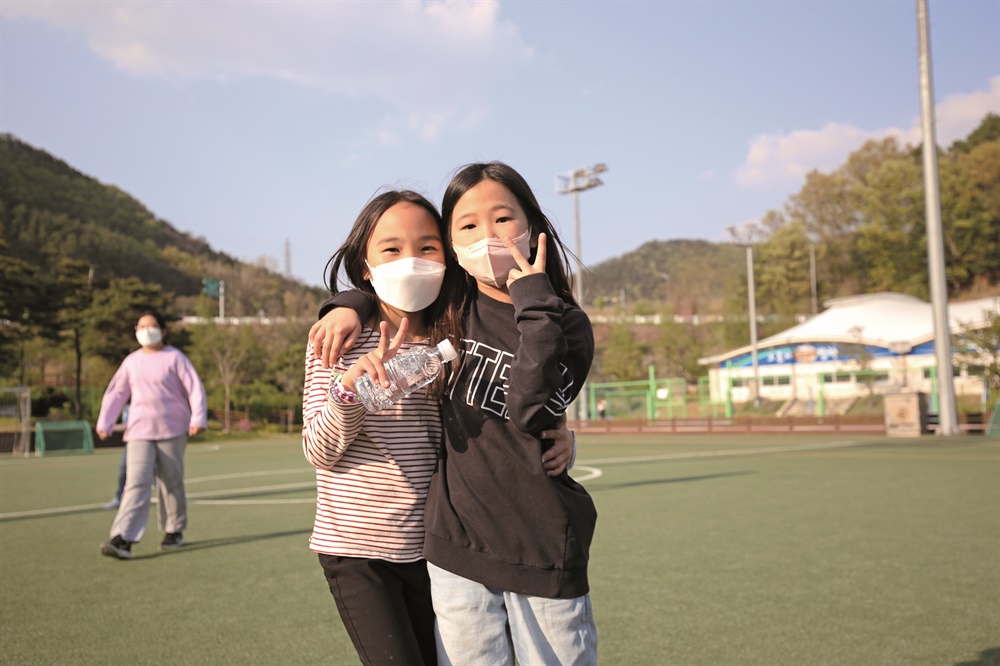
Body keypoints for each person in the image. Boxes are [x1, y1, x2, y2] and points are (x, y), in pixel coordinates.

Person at [312, 162, 598, 665]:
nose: (487, 236)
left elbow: (528, 401)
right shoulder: (385, 329)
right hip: (402, 546)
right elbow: (321, 448)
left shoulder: (502, 323)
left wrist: (561, 430)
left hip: (484, 542)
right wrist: (348, 315)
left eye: (427, 247)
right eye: (466, 225)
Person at [96, 310, 207, 560]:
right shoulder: (131, 361)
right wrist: (105, 421)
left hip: (172, 429)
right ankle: (122, 538)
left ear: (163, 330)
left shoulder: (175, 358)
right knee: (136, 482)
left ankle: (174, 531)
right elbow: (116, 392)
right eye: (141, 326)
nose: (146, 330)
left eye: (152, 325)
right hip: (139, 431)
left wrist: (198, 418)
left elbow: (195, 388)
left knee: (171, 481)